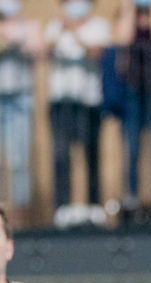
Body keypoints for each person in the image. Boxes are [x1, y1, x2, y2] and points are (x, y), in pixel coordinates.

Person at [0, 0, 44, 225]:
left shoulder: (30, 26)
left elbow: (40, 53)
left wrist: (17, 40)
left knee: (19, 161)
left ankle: (19, 218)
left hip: (21, 99)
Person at [45, 0, 113, 229]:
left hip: (89, 101)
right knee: (61, 155)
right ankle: (62, 207)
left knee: (91, 154)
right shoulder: (55, 26)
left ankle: (94, 206)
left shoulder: (99, 26)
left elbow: (97, 52)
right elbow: (42, 51)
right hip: (61, 100)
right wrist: (61, 31)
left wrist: (75, 32)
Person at [113, 0, 151, 225]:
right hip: (132, 90)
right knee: (132, 146)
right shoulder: (124, 12)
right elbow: (122, 39)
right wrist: (129, 6)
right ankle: (131, 201)